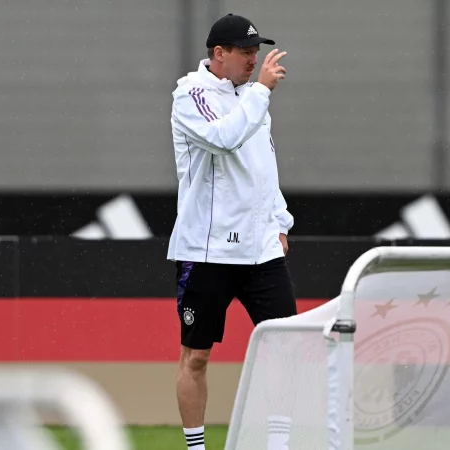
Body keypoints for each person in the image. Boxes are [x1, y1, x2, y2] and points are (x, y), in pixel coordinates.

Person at [167, 13, 296, 450]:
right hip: (208, 250)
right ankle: (197, 448)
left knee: (284, 350)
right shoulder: (191, 95)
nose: (254, 60)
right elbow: (224, 139)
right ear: (219, 53)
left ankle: (277, 446)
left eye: (256, 52)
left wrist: (279, 221)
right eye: (245, 52)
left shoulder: (252, 97)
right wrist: (262, 91)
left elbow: (264, 165)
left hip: (261, 252)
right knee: (197, 357)